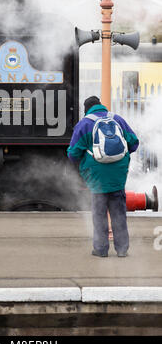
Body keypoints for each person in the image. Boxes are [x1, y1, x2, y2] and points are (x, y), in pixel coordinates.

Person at [67, 96, 139, 258]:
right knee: (119, 210)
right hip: (118, 174)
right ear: (101, 105)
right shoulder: (118, 119)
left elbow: (73, 154)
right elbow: (133, 143)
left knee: (99, 213)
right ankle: (122, 249)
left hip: (96, 176)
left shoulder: (84, 124)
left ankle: (101, 249)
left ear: (86, 109)